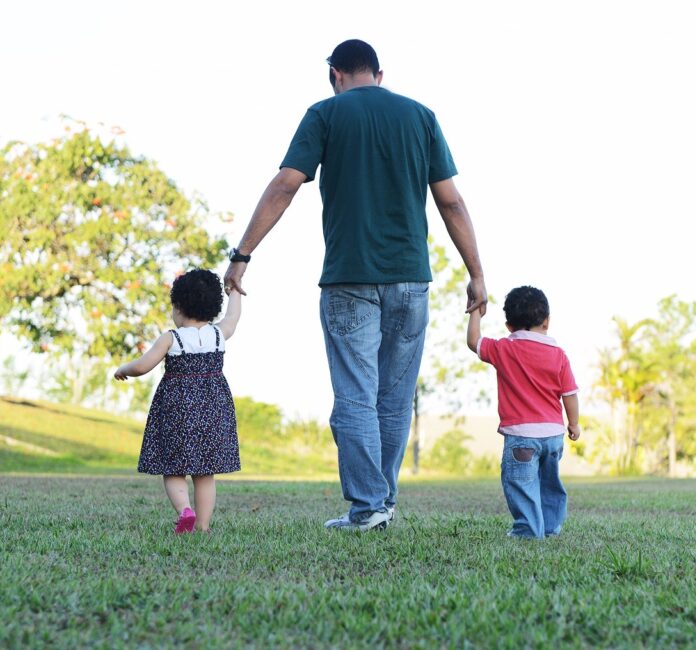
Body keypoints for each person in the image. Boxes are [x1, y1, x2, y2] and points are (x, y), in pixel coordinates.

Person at [224, 39, 486, 531]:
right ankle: (380, 503)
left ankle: (369, 507)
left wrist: (242, 255)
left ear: (334, 74)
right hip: (411, 281)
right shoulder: (420, 116)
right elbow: (450, 201)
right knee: (393, 398)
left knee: (356, 397)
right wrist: (476, 273)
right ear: (379, 74)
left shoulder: (325, 114)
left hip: (349, 279)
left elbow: (285, 184)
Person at [114, 269, 242, 534]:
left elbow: (143, 366)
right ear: (212, 307)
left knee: (173, 468)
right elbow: (233, 317)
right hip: (212, 408)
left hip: (177, 410)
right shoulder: (219, 334)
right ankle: (204, 527)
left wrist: (123, 369)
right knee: (205, 472)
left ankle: (185, 510)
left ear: (179, 307)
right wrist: (234, 292)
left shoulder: (172, 338)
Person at [467, 285, 580, 539]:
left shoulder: (504, 348)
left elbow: (474, 341)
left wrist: (475, 310)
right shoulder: (558, 355)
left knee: (521, 484)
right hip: (553, 436)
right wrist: (574, 424)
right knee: (549, 484)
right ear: (547, 321)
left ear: (509, 325)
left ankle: (529, 531)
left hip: (521, 437)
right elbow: (570, 393)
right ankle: (549, 527)